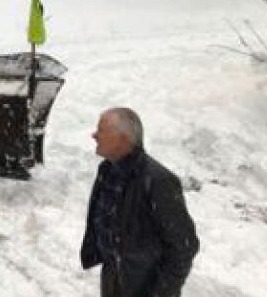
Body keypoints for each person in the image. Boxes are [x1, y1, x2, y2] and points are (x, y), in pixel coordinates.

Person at [82, 107, 199, 297]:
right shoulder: (107, 170)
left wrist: (162, 292)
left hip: (145, 285)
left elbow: (184, 246)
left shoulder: (158, 181)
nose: (94, 135)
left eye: (101, 130)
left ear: (123, 138)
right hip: (114, 277)